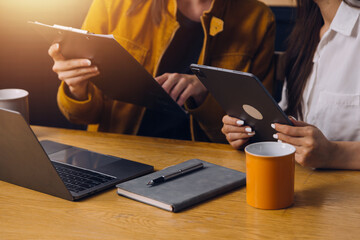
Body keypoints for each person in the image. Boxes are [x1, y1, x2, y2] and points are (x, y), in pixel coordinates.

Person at [48, 0, 275, 142]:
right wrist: (76, 87)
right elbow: (83, 116)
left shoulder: (258, 19)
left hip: (208, 164)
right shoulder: (115, 4)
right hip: (120, 153)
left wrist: (206, 92)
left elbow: (260, 126)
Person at [222, 0, 360, 169]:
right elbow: (286, 120)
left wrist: (335, 153)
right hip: (296, 180)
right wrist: (250, 131)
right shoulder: (306, 37)